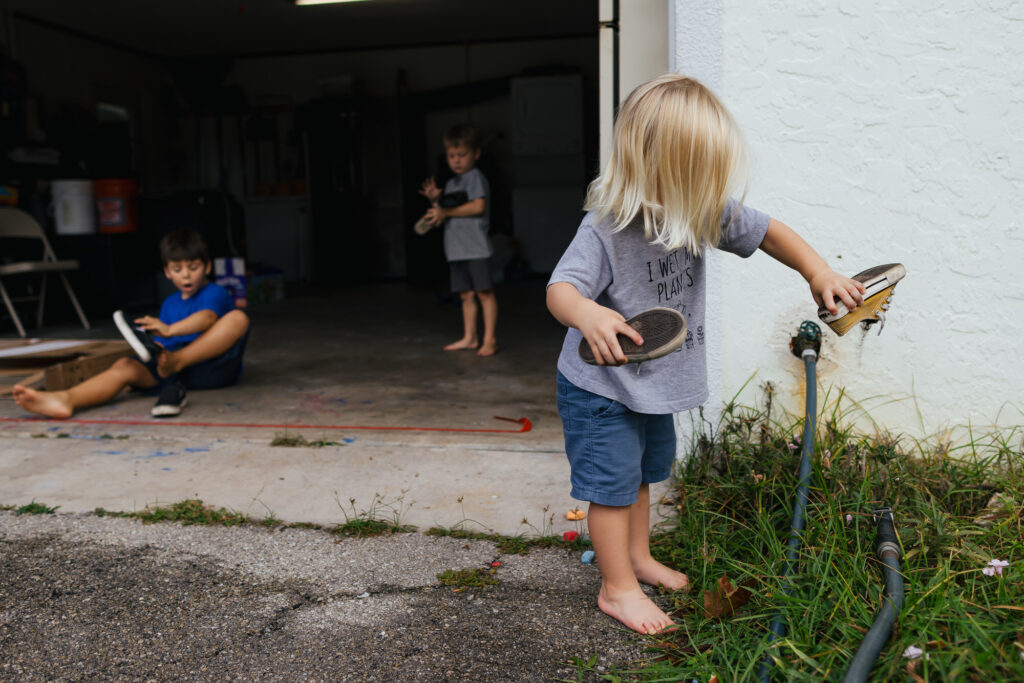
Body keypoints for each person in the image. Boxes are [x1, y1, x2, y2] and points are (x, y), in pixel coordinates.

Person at [545, 74, 865, 635]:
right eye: (694, 173)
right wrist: (588, 314)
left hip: (649, 381)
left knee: (643, 474)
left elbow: (770, 233)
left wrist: (818, 271)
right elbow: (560, 291)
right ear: (649, 165)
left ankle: (638, 559)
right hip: (600, 386)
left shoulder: (698, 208)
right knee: (611, 488)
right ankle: (616, 588)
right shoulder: (605, 228)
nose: (707, 189)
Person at [12, 228, 250, 419]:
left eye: (193, 267)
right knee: (125, 365)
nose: (186, 275)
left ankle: (180, 360)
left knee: (239, 318)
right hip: (173, 373)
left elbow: (206, 318)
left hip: (211, 370)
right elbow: (162, 343)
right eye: (178, 269)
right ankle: (65, 399)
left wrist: (170, 331)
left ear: (207, 267)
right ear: (167, 272)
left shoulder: (215, 293)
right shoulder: (169, 304)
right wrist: (157, 352)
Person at [419, 124, 498, 356]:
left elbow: (478, 205)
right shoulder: (452, 184)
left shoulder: (475, 178)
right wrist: (436, 202)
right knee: (465, 295)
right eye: (452, 156)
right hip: (456, 249)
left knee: (485, 293)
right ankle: (469, 337)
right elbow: (444, 215)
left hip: (476, 248)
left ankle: (489, 339)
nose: (456, 160)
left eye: (462, 155)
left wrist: (444, 212)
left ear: (476, 154)